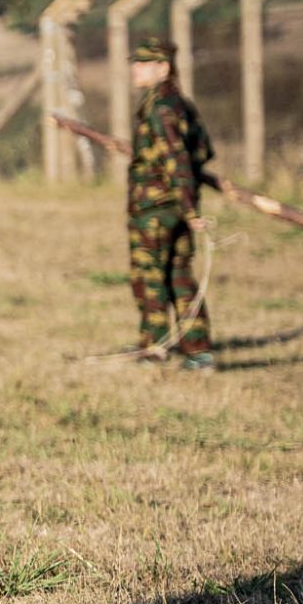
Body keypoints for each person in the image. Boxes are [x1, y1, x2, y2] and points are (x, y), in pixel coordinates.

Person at [126, 37, 214, 370]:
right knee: (179, 277)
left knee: (150, 277)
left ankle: (155, 349)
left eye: (145, 63)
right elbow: (202, 151)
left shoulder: (161, 108)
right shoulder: (179, 104)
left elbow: (177, 158)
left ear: (164, 68)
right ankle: (198, 350)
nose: (136, 68)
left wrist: (190, 210)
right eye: (136, 62)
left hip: (156, 209)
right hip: (174, 205)